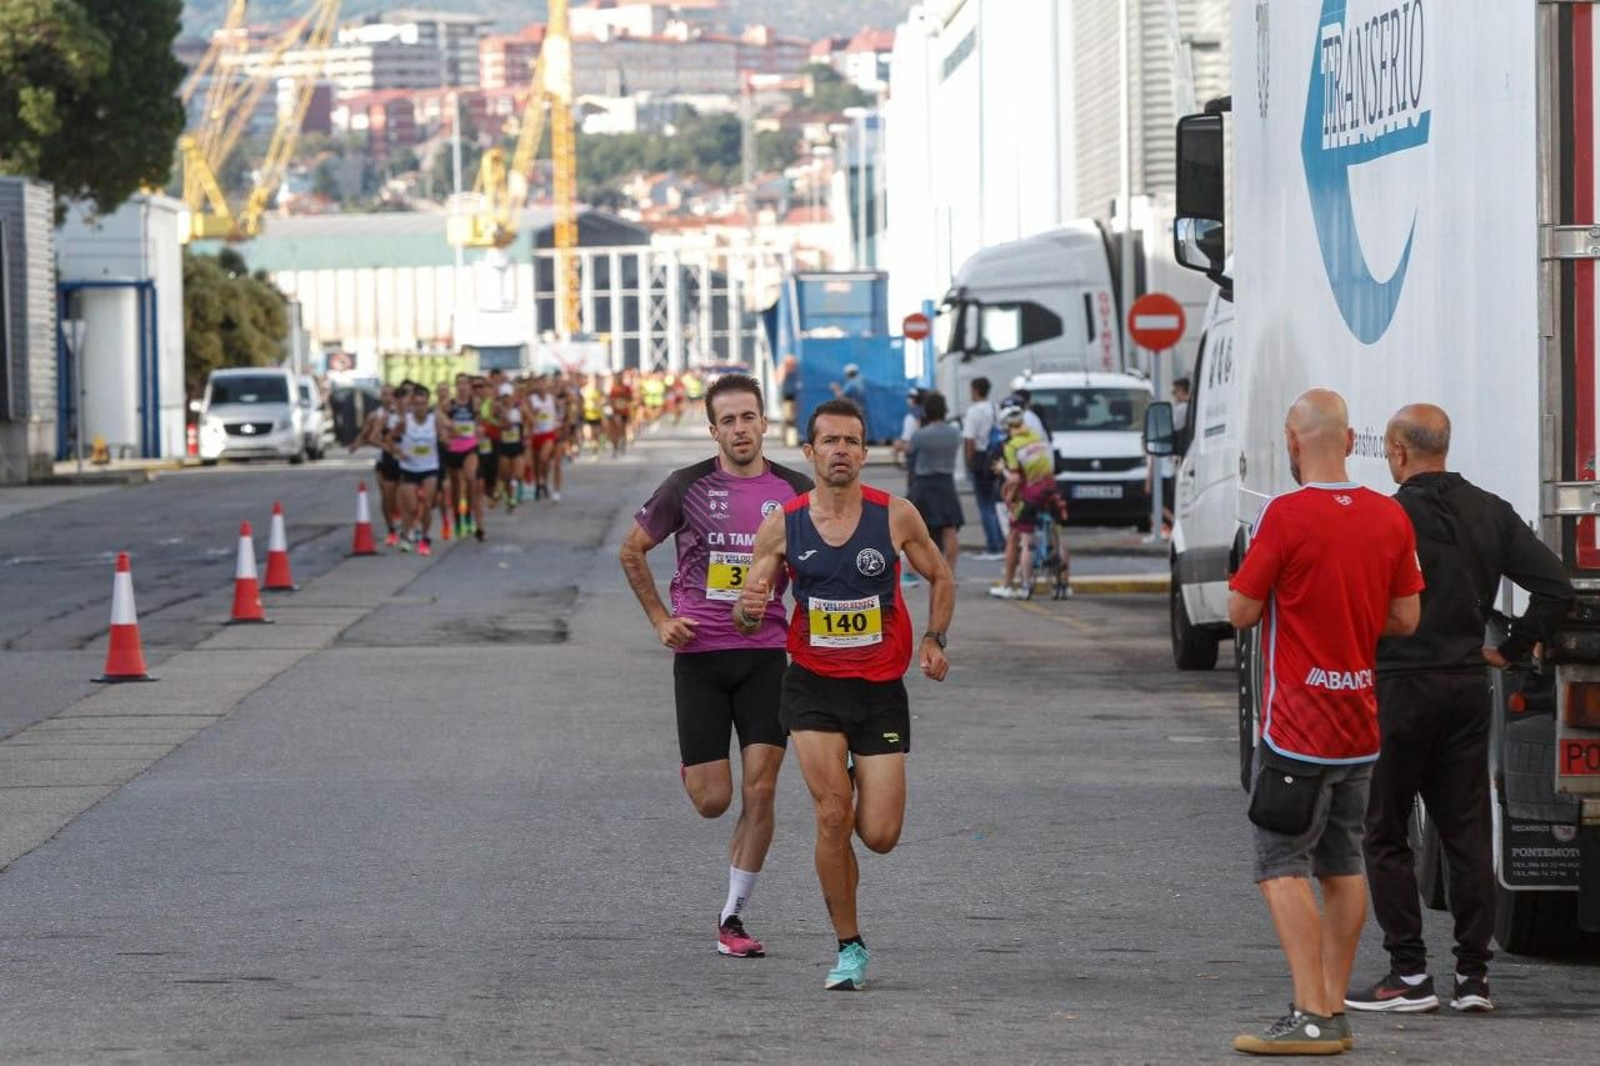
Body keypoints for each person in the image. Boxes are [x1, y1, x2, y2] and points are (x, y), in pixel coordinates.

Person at [1345, 404, 1574, 1017]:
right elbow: (1555, 587)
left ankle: (1409, 973)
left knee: (1385, 830)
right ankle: (1473, 977)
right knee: (1467, 831)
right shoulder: (1490, 511)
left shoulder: (1385, 517)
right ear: (1444, 447)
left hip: (1398, 688)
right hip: (1467, 685)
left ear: (1397, 452)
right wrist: (1513, 648)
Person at [1227, 389, 1424, 1056]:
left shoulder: (1285, 515)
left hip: (1296, 730)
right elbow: (1406, 617)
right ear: (1348, 440)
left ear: (1292, 441)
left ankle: (1311, 1012)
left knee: (1279, 865)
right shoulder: (1389, 515)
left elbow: (1241, 610)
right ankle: (1333, 1009)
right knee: (1342, 865)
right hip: (1358, 723)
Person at [737, 397, 955, 992]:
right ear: (810, 452)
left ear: (864, 453)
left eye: (851, 442)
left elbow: (940, 575)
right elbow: (749, 612)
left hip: (879, 689)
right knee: (832, 814)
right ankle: (849, 946)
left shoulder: (896, 515)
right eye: (829, 441)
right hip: (812, 685)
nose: (840, 451)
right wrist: (749, 608)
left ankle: (856, 772)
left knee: (879, 835)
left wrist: (934, 637)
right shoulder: (783, 524)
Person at [619, 374, 814, 959]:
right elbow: (632, 549)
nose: (740, 429)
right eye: (728, 421)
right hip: (701, 657)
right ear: (714, 431)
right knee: (713, 801)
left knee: (762, 789)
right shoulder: (687, 486)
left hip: (765, 657)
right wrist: (660, 619)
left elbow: (823, 561)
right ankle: (696, 771)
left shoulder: (795, 490)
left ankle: (732, 916)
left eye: (748, 417)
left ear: (764, 423)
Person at [989, 404, 1067, 599]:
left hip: (1032, 495)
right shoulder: (1040, 439)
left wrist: (1002, 470)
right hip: (1053, 490)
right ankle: (1064, 585)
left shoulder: (1012, 446)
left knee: (1025, 542)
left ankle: (1025, 586)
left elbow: (1015, 478)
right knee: (1058, 536)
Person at [905, 392, 963, 574]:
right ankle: (950, 572)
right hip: (946, 483)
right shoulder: (955, 433)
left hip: (924, 485)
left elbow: (909, 451)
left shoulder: (920, 435)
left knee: (915, 530)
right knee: (950, 530)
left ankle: (912, 572)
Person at [390, 384, 442, 557]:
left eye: (423, 404)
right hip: (410, 468)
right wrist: (398, 452)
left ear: (427, 405)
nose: (420, 407)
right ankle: (406, 534)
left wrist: (447, 438)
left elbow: (447, 433)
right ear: (412, 406)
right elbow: (389, 439)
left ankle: (425, 538)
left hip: (430, 467)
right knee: (411, 507)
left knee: (427, 503)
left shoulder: (434, 420)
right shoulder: (406, 422)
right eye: (417, 404)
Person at [961, 377, 1005, 559]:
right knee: (995, 503)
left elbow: (969, 439)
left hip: (980, 458)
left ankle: (993, 546)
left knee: (984, 504)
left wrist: (969, 462)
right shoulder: (996, 408)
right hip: (995, 457)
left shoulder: (973, 412)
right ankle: (1001, 542)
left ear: (976, 390)